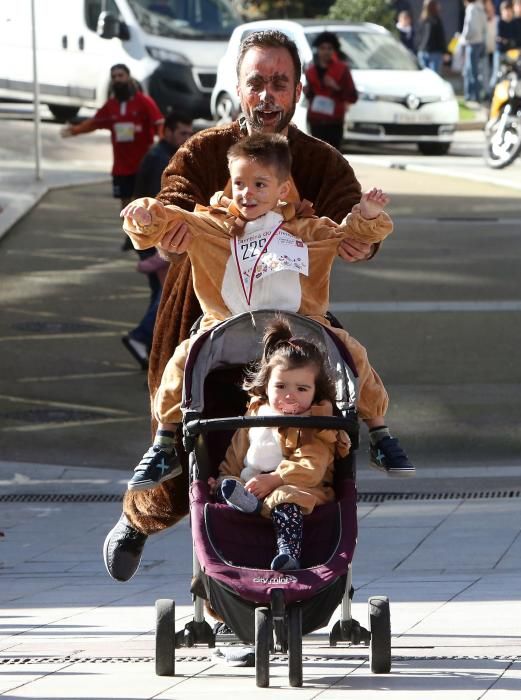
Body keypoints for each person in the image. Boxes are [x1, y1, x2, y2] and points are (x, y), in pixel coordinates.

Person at [103, 30, 394, 584]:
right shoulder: (207, 150)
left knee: (311, 427)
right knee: (194, 439)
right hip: (210, 317)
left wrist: (364, 238)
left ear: (298, 91)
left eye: (278, 83)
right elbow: (172, 198)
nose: (266, 95)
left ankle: (284, 560)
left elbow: (349, 215)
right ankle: (141, 523)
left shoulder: (317, 159)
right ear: (237, 87)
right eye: (256, 81)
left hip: (291, 327)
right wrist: (165, 227)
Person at [121, 132, 414, 492]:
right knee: (182, 358)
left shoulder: (307, 230)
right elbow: (163, 220)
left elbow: (352, 234)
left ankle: (380, 433)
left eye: (260, 184)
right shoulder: (212, 225)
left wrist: (368, 214)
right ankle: (164, 444)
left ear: (283, 189)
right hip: (226, 328)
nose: (248, 193)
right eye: (240, 184)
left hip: (299, 327)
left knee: (351, 353)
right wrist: (143, 214)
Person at [208, 316, 352, 571]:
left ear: (315, 393)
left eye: (302, 389)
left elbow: (312, 466)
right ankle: (244, 501)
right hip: (251, 483)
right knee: (228, 485)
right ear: (266, 385)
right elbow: (236, 453)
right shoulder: (256, 415)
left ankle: (288, 550)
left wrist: (274, 479)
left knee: (285, 499)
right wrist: (223, 478)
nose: (289, 395)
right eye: (281, 386)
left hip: (299, 487)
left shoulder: (315, 425)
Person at [121, 113, 194, 370]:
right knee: (167, 295)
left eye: (189, 133)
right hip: (154, 237)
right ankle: (142, 338)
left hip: (151, 235)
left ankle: (151, 347)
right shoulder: (162, 160)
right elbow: (158, 204)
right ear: (169, 132)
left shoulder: (163, 156)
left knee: (161, 294)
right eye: (183, 133)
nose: (187, 138)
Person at [61, 64, 164, 214]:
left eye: (120, 75)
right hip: (121, 167)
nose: (117, 79)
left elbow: (159, 123)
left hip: (142, 166)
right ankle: (128, 235)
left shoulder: (144, 102)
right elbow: (94, 122)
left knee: (142, 205)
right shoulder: (110, 106)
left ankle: (141, 236)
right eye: (114, 77)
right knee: (125, 207)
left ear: (128, 77)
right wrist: (74, 130)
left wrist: (159, 147)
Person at [304, 31, 358, 151]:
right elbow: (310, 96)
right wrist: (307, 92)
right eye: (322, 48)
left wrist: (336, 87)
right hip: (315, 120)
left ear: (334, 50)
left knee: (334, 157)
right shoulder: (310, 71)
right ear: (317, 50)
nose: (326, 52)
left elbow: (353, 96)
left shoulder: (342, 69)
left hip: (334, 122)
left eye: (329, 48)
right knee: (317, 156)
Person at [461, 0, 489, 104]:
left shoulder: (471, 8)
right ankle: (474, 96)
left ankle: (473, 96)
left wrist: (463, 38)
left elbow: (469, 28)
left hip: (472, 43)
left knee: (471, 72)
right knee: (475, 71)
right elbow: (484, 28)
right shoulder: (481, 8)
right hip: (480, 42)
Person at [491, 1, 517, 88]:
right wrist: (506, 41)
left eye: (509, 10)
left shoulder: (514, 23)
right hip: (500, 52)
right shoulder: (499, 22)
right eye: (506, 10)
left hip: (511, 53)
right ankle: (491, 94)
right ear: (502, 11)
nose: (508, 12)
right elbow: (499, 38)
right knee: (497, 74)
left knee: (509, 75)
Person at [417, 0, 448, 73]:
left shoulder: (422, 20)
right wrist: (445, 52)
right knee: (435, 78)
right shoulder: (436, 20)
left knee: (424, 78)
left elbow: (419, 36)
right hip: (434, 52)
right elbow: (440, 37)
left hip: (422, 51)